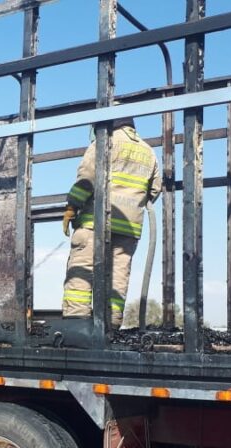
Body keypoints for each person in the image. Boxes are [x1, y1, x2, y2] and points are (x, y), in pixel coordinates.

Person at [63, 118, 161, 329]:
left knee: (81, 272)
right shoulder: (148, 151)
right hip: (128, 229)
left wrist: (72, 206)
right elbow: (155, 190)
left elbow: (86, 180)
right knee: (118, 278)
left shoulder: (103, 142)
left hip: (94, 223)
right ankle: (111, 327)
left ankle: (76, 325)